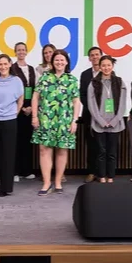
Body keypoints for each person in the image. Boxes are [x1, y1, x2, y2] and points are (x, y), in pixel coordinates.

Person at [32, 49, 80, 195]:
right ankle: (46, 183)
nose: (59, 62)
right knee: (44, 150)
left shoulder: (71, 79)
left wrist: (74, 120)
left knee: (62, 151)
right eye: (56, 60)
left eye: (62, 60)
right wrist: (34, 116)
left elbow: (76, 101)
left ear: (66, 62)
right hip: (45, 119)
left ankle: (58, 182)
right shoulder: (45, 78)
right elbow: (35, 97)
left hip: (64, 121)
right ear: (52, 62)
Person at [0, 54, 24, 197]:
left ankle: (5, 188)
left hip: (10, 120)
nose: (2, 67)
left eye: (5, 64)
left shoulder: (17, 80)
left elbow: (20, 99)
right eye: (0, 64)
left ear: (10, 64)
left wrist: (14, 113)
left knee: (8, 154)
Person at [87, 55, 126, 183]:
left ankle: (111, 177)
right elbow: (91, 104)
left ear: (112, 66)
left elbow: (122, 104)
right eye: (103, 65)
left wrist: (115, 120)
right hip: (99, 124)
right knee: (101, 152)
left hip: (115, 124)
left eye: (109, 65)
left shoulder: (119, 82)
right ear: (99, 66)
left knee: (112, 152)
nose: (106, 67)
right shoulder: (94, 83)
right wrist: (101, 121)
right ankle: (102, 176)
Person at [11, 42, 37, 181]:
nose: (21, 52)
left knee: (27, 141)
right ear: (15, 52)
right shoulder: (12, 69)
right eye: (18, 50)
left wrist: (32, 108)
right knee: (16, 141)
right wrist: (20, 108)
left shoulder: (32, 69)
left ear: (26, 52)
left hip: (30, 110)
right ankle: (15, 171)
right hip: (16, 110)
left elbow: (36, 90)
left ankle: (26, 170)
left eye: (23, 49)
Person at [79, 46, 103, 183]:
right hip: (89, 115)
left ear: (101, 56)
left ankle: (102, 173)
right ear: (89, 58)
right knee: (91, 144)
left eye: (97, 54)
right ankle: (91, 172)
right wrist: (93, 110)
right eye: (92, 55)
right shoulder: (85, 74)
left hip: (105, 116)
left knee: (102, 145)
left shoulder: (108, 72)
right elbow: (82, 94)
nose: (95, 57)